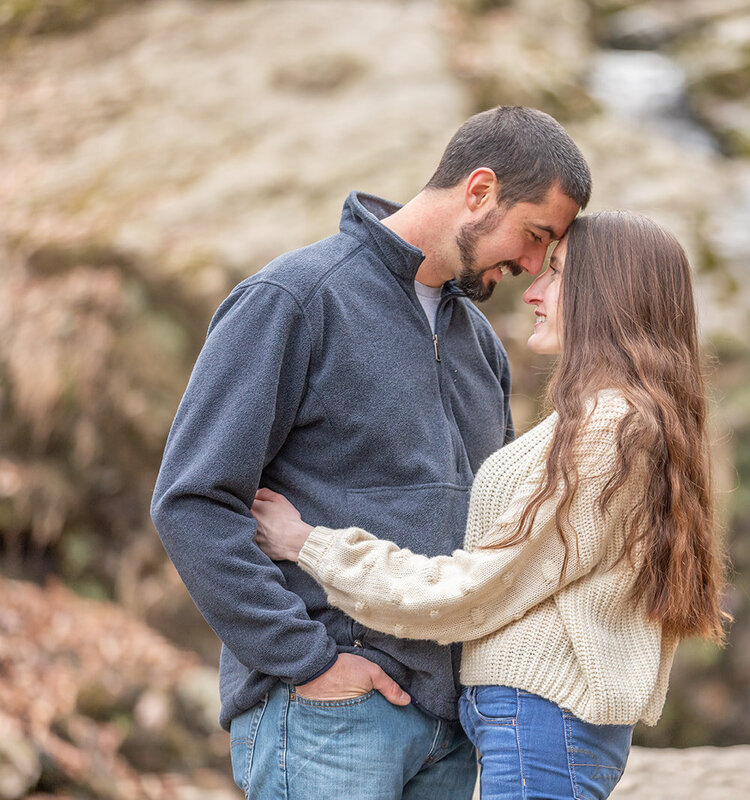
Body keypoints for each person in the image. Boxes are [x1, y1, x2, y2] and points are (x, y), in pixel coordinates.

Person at [149, 106, 590, 800]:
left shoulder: (480, 347)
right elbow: (193, 501)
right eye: (535, 235)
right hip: (330, 715)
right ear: (479, 191)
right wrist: (308, 662)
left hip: (450, 725)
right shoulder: (295, 298)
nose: (532, 265)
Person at [251, 211, 731, 800]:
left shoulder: (612, 427)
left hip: (543, 723)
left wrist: (310, 544)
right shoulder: (623, 419)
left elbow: (479, 584)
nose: (532, 289)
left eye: (555, 274)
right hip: (541, 724)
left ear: (606, 295)